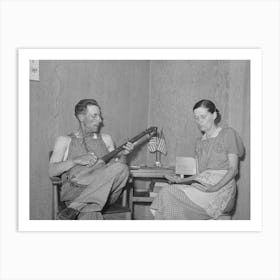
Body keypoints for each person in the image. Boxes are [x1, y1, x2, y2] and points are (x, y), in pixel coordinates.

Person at [150, 99, 245, 220]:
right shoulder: (199, 142)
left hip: (222, 188)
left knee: (169, 194)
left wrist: (214, 188)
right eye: (196, 118)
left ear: (214, 115)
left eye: (203, 117)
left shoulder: (228, 134)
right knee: (165, 192)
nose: (199, 121)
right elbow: (199, 175)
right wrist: (179, 180)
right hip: (202, 186)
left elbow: (233, 170)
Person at [49, 99, 135, 220]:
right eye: (94, 116)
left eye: (99, 116)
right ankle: (82, 206)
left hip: (106, 193)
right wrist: (75, 160)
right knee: (91, 211)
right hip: (76, 191)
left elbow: (117, 171)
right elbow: (52, 171)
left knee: (122, 167)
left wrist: (124, 155)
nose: (99, 120)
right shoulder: (64, 140)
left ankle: (76, 207)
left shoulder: (106, 139)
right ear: (81, 117)